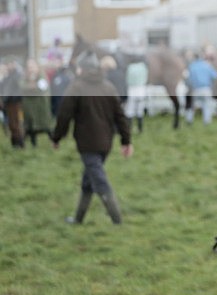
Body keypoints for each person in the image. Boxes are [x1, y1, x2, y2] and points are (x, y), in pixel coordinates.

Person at [51, 51, 133, 224]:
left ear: (81, 69)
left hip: (87, 143)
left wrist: (57, 137)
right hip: (106, 143)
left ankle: (117, 220)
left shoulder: (76, 87)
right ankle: (78, 219)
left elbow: (63, 115)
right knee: (88, 180)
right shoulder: (108, 86)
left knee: (99, 181)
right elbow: (121, 116)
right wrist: (126, 141)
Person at [20, 58, 52, 147]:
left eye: (32, 66)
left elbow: (42, 88)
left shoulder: (42, 75)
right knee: (30, 127)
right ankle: (33, 146)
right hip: (29, 107)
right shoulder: (24, 76)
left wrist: (31, 87)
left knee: (46, 127)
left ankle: (54, 142)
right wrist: (33, 86)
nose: (31, 68)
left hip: (40, 106)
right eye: (29, 67)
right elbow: (22, 87)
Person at [185, 51, 217, 126]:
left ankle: (189, 120)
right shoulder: (207, 65)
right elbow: (215, 76)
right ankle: (206, 122)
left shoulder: (192, 66)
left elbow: (188, 79)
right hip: (206, 89)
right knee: (206, 105)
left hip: (196, 89)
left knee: (192, 106)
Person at [1, 58, 24, 148]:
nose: (9, 66)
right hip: (8, 103)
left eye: (11, 63)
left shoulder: (17, 75)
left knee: (16, 124)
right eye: (8, 64)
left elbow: (19, 88)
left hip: (16, 103)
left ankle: (20, 143)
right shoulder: (7, 77)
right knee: (11, 124)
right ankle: (14, 143)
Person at [125, 54, 149, 133]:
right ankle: (140, 129)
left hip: (132, 89)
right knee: (140, 110)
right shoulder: (143, 67)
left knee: (130, 110)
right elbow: (146, 78)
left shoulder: (130, 67)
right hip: (141, 89)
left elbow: (127, 79)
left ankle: (129, 128)